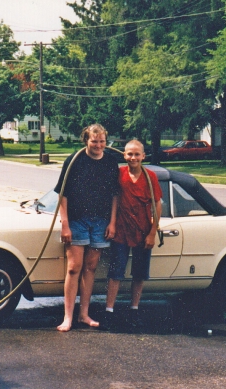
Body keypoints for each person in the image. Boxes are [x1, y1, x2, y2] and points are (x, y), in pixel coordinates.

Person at [54, 123, 119, 332]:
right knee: (74, 268)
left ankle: (84, 314)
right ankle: (68, 317)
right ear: (86, 141)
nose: (99, 145)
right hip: (77, 220)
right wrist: (65, 224)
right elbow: (62, 194)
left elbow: (115, 195)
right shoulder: (74, 161)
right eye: (94, 141)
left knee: (90, 268)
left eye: (102, 141)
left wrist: (112, 222)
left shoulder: (110, 162)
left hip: (101, 221)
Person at [103, 140, 162, 329]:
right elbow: (113, 198)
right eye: (129, 154)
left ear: (143, 156)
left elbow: (157, 205)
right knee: (115, 272)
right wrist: (112, 224)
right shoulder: (119, 174)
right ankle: (109, 311)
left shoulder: (150, 177)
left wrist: (153, 232)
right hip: (121, 230)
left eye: (137, 154)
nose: (133, 158)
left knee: (139, 273)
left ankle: (134, 309)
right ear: (124, 156)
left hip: (143, 231)